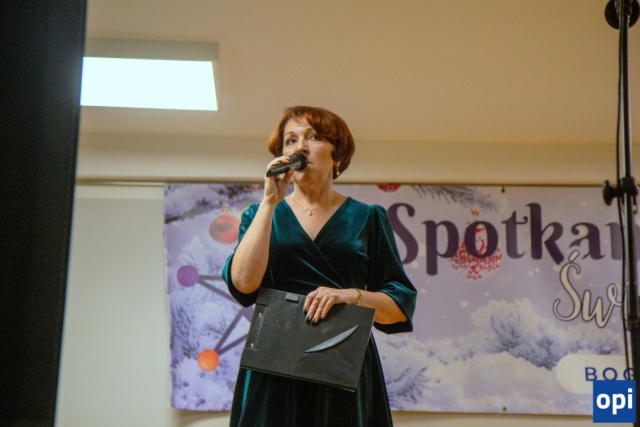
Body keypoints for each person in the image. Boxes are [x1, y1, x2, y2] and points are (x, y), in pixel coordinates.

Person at [222, 105, 417, 426]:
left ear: (337, 154)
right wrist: (270, 202)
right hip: (274, 363)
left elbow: (398, 306)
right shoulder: (258, 215)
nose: (300, 147)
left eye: (313, 137)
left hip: (343, 360)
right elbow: (243, 284)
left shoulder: (368, 217)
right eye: (290, 140)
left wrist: (349, 295)